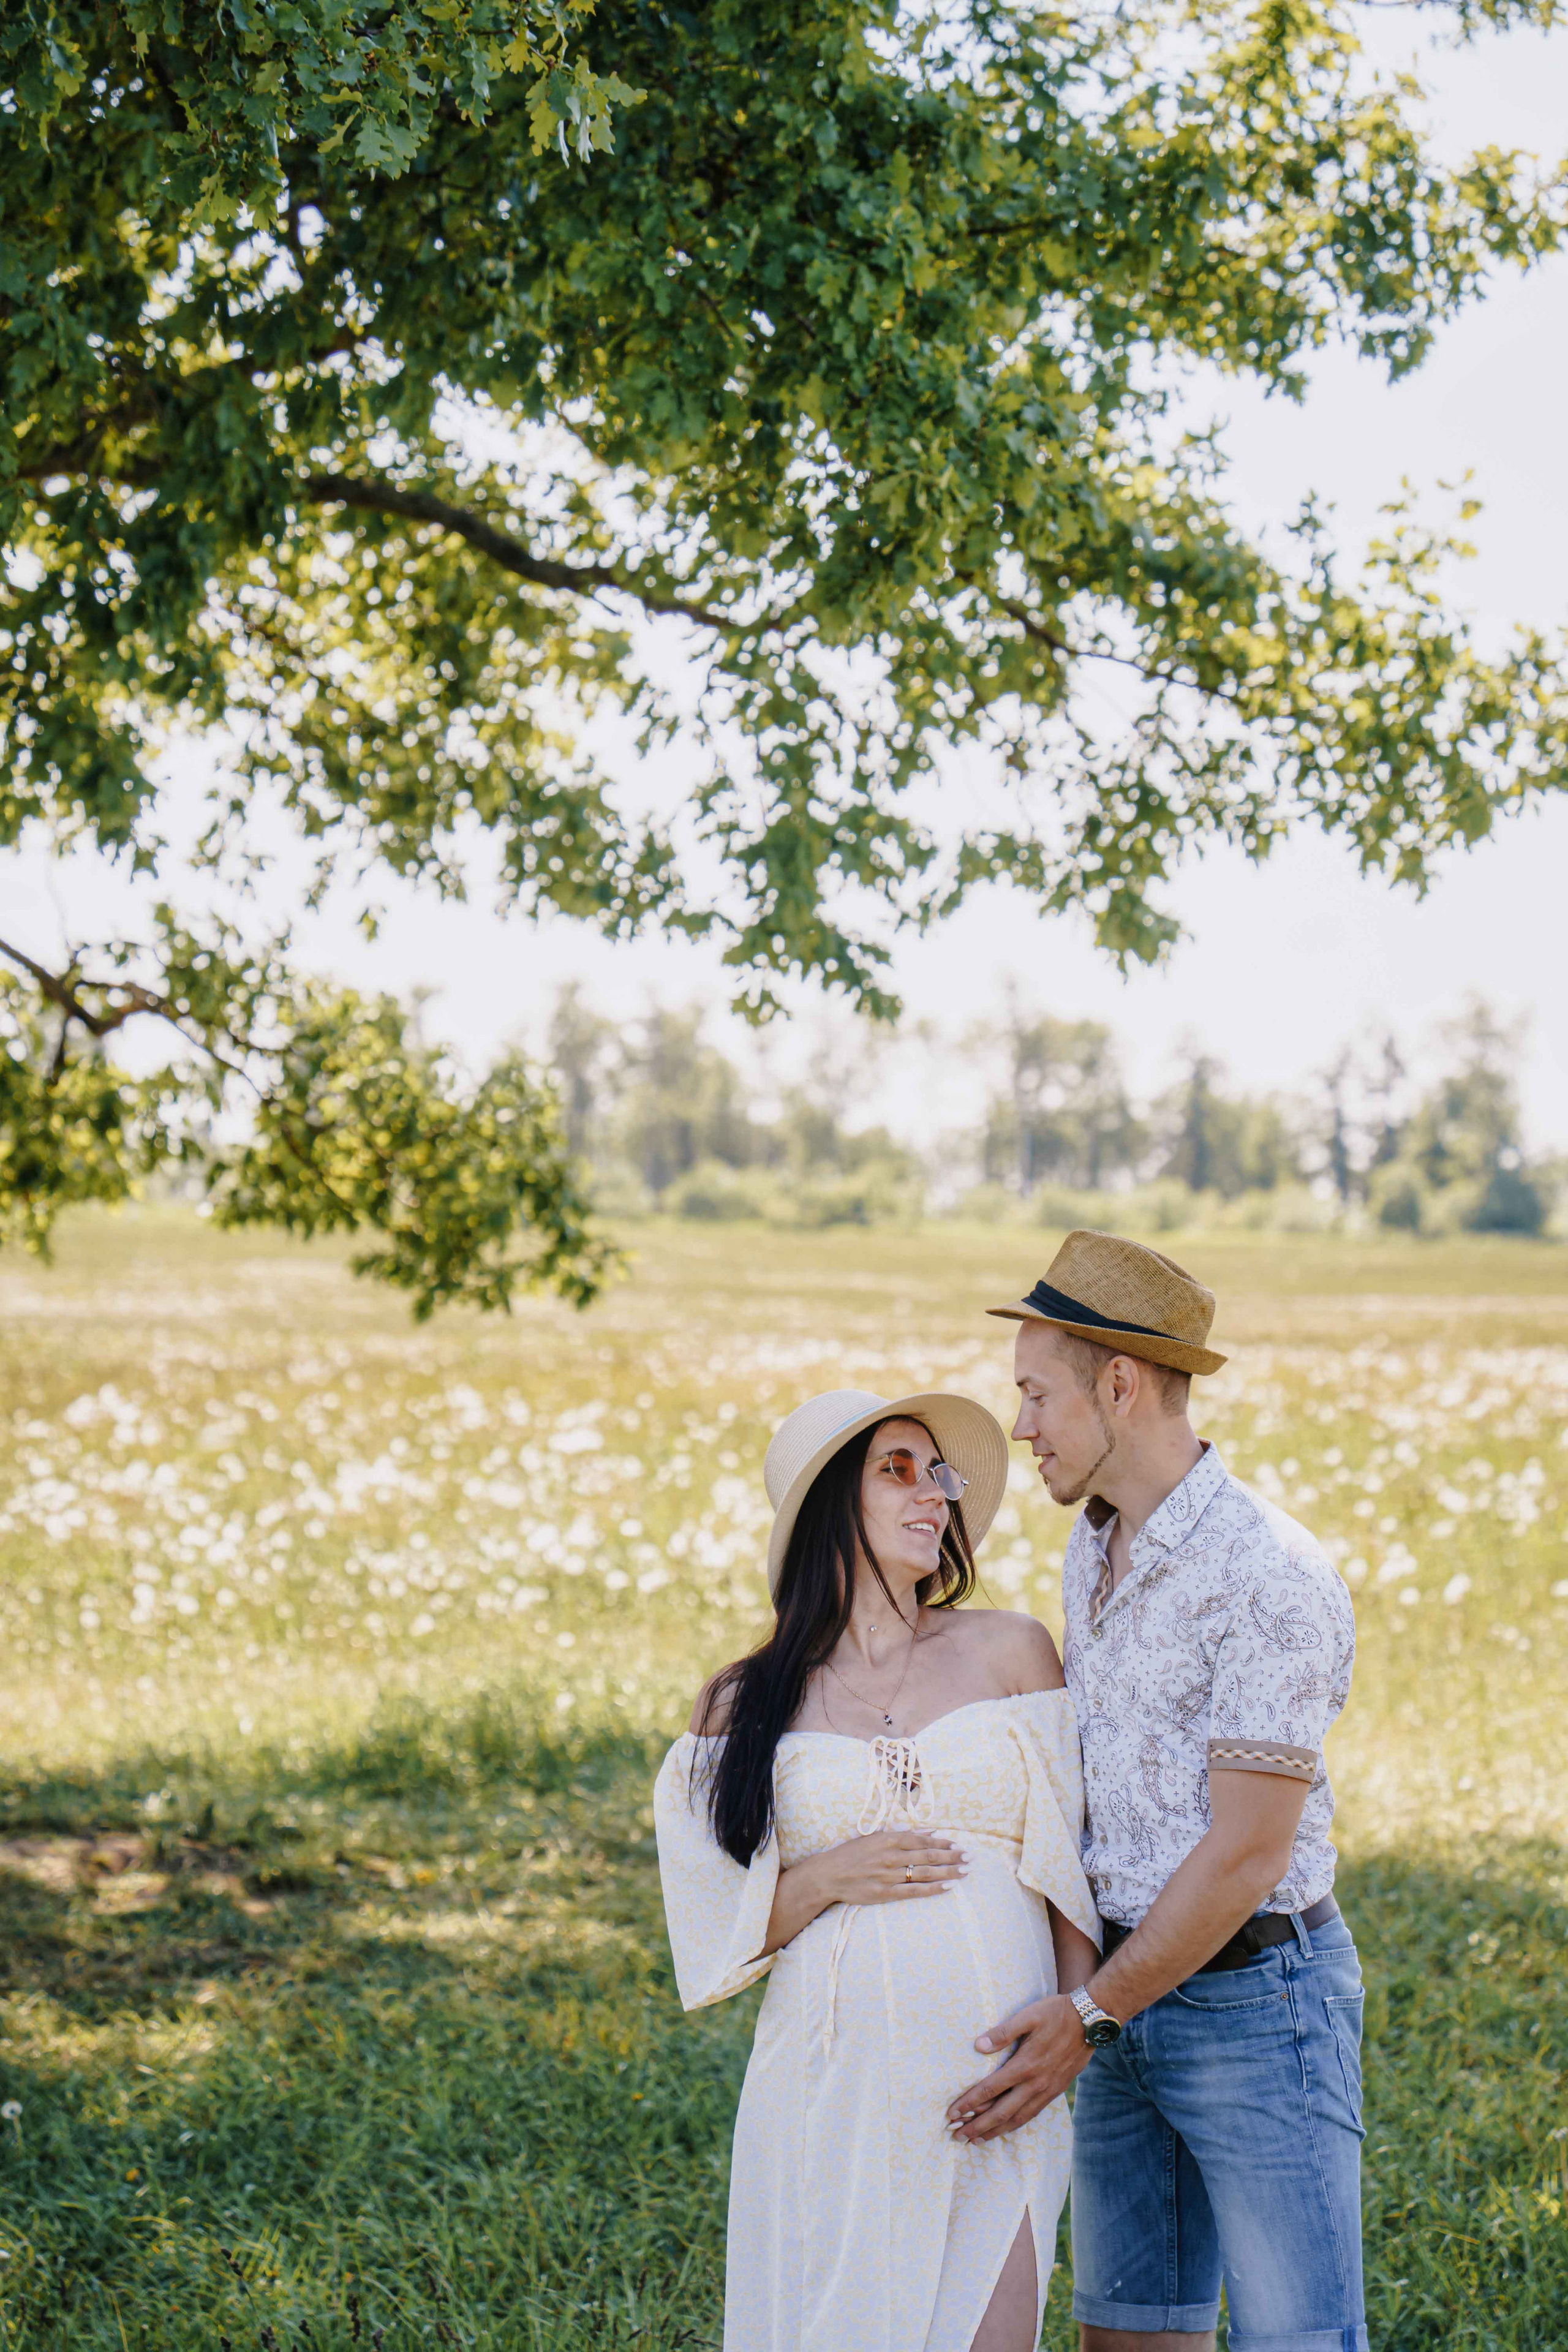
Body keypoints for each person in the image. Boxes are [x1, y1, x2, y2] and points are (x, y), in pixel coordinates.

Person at [945, 1230, 1365, 2352]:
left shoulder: (1270, 1574)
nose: (1021, 1425)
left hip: (1256, 2008)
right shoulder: (1097, 1543)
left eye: (1036, 1394)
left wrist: (1088, 2015)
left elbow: (1246, 1854)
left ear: (1119, 1386)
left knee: (1299, 2341)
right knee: (1129, 2337)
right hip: (1124, 2007)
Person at [654, 1385, 1103, 2352]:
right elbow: (712, 1921)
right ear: (828, 1505)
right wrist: (826, 1877)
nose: (932, 1494)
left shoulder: (1011, 1650)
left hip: (997, 2086)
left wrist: (1074, 2031)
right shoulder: (747, 1699)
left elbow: (1074, 1868)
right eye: (896, 1470)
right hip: (830, 2094)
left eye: (936, 1473)